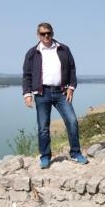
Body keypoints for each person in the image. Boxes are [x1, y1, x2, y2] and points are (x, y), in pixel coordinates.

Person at [22, 22, 88, 168]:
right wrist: (27, 94)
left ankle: (76, 153)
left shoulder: (63, 49)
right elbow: (27, 75)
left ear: (53, 33)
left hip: (61, 92)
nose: (46, 36)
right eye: (43, 34)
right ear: (37, 35)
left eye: (48, 33)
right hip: (41, 93)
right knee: (43, 127)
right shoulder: (32, 53)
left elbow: (72, 69)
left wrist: (71, 87)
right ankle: (45, 156)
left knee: (72, 121)